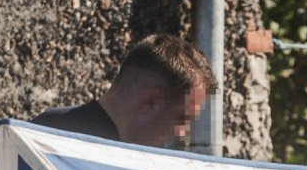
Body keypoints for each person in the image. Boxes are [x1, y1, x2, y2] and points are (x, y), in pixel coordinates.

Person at [32, 33, 218, 148]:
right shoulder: (53, 138)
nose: (183, 133)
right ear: (149, 102)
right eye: (181, 118)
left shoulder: (131, 158)